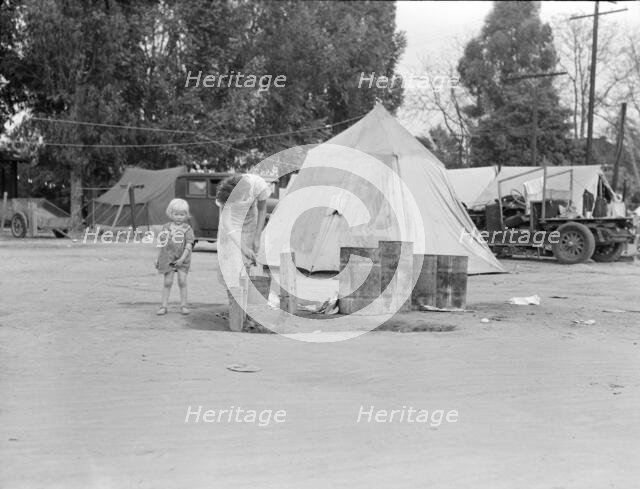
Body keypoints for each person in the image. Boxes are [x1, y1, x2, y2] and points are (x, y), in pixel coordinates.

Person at [215, 173, 271, 301]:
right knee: (230, 262)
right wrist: (242, 247)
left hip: (250, 220)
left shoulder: (258, 185)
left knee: (247, 263)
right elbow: (228, 224)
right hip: (231, 222)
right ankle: (235, 304)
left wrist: (257, 237)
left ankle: (248, 303)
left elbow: (262, 210)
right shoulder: (225, 193)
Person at [155, 198, 195, 316]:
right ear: (170, 213)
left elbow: (189, 244)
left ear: (186, 215)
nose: (178, 217)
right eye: (176, 214)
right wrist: (157, 258)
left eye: (182, 214)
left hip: (183, 258)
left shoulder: (187, 229)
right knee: (167, 282)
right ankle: (164, 306)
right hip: (168, 257)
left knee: (182, 281)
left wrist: (182, 259)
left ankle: (184, 305)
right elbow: (162, 244)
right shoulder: (166, 227)